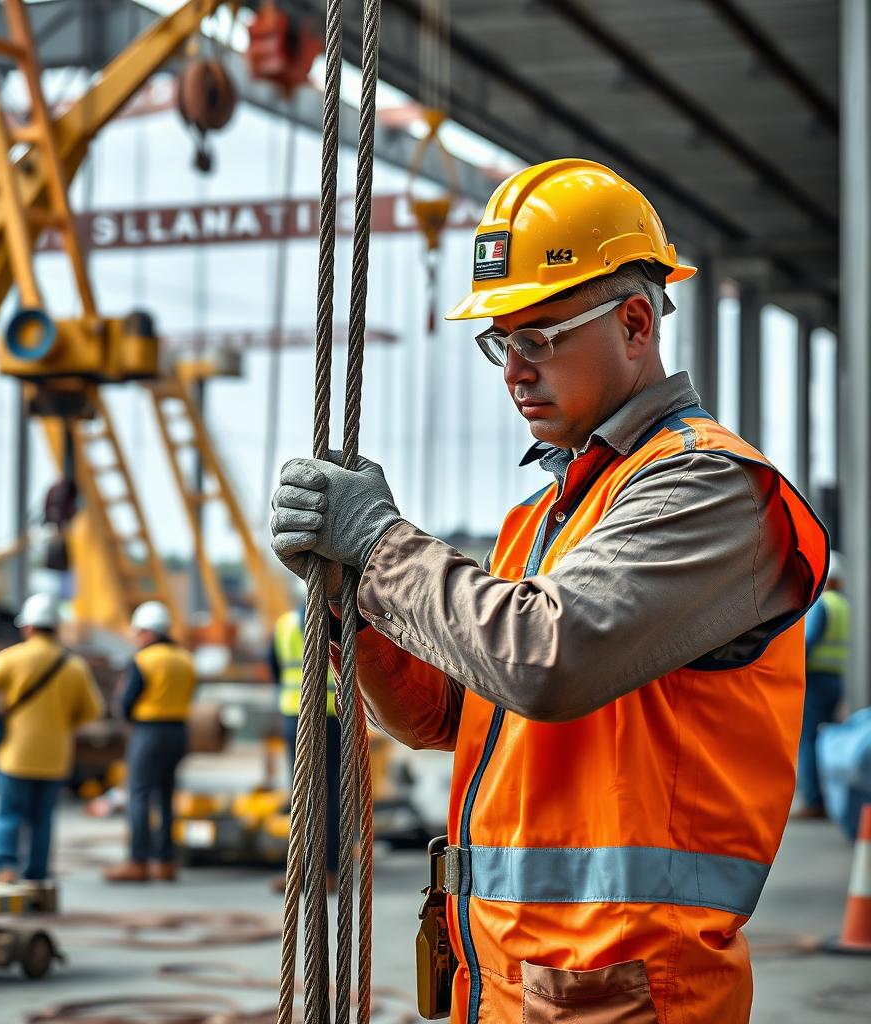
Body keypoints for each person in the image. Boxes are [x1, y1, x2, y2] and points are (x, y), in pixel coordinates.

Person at [269, 158, 828, 1023]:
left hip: (629, 988)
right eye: (501, 343)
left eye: (538, 339)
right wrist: (356, 605)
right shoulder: (547, 514)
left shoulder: (707, 489)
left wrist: (378, 543)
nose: (513, 371)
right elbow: (443, 715)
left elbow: (546, 659)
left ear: (635, 323)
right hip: (514, 981)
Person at [0, 592, 102, 883]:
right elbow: (93, 710)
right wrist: (66, 723)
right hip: (55, 756)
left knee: (9, 814)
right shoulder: (74, 666)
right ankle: (37, 874)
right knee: (43, 819)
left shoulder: (12, 659)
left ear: (28, 627)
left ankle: (5, 867)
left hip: (16, 753)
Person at [105, 601, 195, 883]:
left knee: (140, 794)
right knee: (166, 796)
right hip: (178, 731)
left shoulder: (143, 659)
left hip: (150, 731)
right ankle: (165, 862)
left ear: (147, 632)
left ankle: (138, 861)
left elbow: (127, 700)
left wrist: (127, 716)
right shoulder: (184, 658)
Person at [269, 604, 340, 893]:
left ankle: (312, 873)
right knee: (327, 795)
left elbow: (275, 668)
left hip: (296, 715)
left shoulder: (284, 624)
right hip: (332, 715)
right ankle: (324, 872)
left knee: (304, 794)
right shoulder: (338, 616)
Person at [794, 551, 849, 819]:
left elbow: (806, 644)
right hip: (835, 679)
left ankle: (814, 801)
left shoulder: (824, 604)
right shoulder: (843, 605)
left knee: (808, 740)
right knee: (825, 740)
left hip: (814, 681)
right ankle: (827, 796)